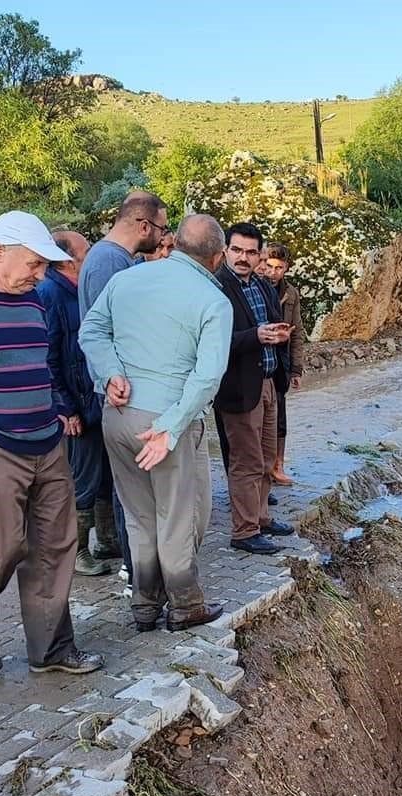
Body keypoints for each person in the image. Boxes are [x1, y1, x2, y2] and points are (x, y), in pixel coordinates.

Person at [0, 211, 104, 674]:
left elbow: (41, 363)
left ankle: (50, 650)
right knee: (3, 548)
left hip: (48, 444)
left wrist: (58, 408)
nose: (40, 275)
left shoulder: (32, 301)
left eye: (45, 266)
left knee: (55, 548)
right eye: (33, 264)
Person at [79, 214, 231, 633]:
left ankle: (145, 605)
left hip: (119, 415)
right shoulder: (212, 299)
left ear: (175, 242)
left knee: (139, 515)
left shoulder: (128, 279)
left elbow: (90, 330)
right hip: (167, 422)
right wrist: (172, 425)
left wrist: (109, 374)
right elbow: (208, 375)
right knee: (182, 516)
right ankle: (184, 604)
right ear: (217, 257)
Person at [79, 191, 170, 590]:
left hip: (129, 391)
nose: (164, 238)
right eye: (163, 229)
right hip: (121, 394)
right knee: (130, 489)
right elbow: (104, 333)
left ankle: (141, 570)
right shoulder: (108, 264)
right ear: (143, 225)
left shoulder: (117, 260)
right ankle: (138, 574)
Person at [37, 230, 116, 578]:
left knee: (104, 474)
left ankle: (108, 538)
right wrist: (65, 407)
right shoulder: (50, 294)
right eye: (86, 251)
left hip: (92, 398)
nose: (92, 257)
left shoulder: (76, 290)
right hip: (75, 405)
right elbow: (48, 358)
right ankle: (77, 551)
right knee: (82, 478)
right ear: (69, 260)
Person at [213, 223, 295, 556]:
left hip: (268, 381)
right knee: (245, 461)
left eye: (250, 251)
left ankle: (260, 518)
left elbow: (275, 324)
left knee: (263, 457)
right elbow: (212, 342)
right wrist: (256, 336)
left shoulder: (262, 285)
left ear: (259, 254)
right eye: (237, 250)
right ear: (225, 251)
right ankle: (243, 531)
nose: (243, 257)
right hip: (237, 387)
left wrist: (280, 335)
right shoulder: (216, 288)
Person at [264, 243, 305, 486]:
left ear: (286, 268)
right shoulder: (256, 287)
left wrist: (296, 369)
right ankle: (264, 467)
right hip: (260, 357)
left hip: (282, 360)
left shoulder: (291, 294)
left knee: (280, 416)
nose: (273, 272)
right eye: (269, 266)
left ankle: (278, 465)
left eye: (278, 267)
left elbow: (298, 332)